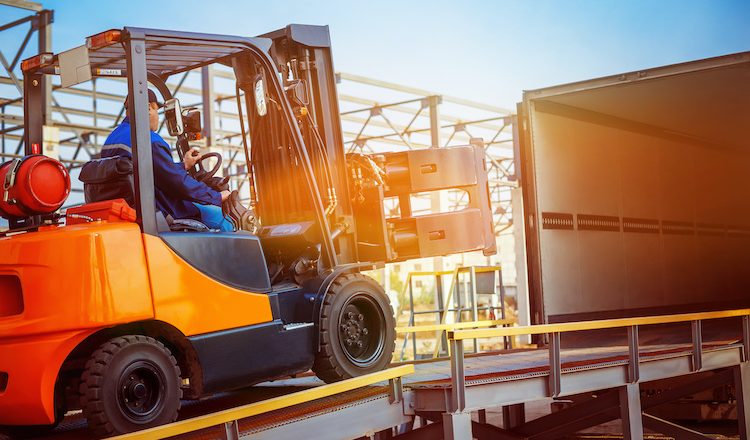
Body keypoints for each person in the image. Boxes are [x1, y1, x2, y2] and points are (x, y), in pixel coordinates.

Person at [101, 89, 233, 231]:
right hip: (159, 211)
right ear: (148, 108)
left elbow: (151, 171)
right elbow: (177, 183)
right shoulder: (149, 140)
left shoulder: (112, 139)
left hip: (129, 211)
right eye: (158, 111)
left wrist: (183, 166)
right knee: (219, 216)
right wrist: (215, 196)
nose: (158, 117)